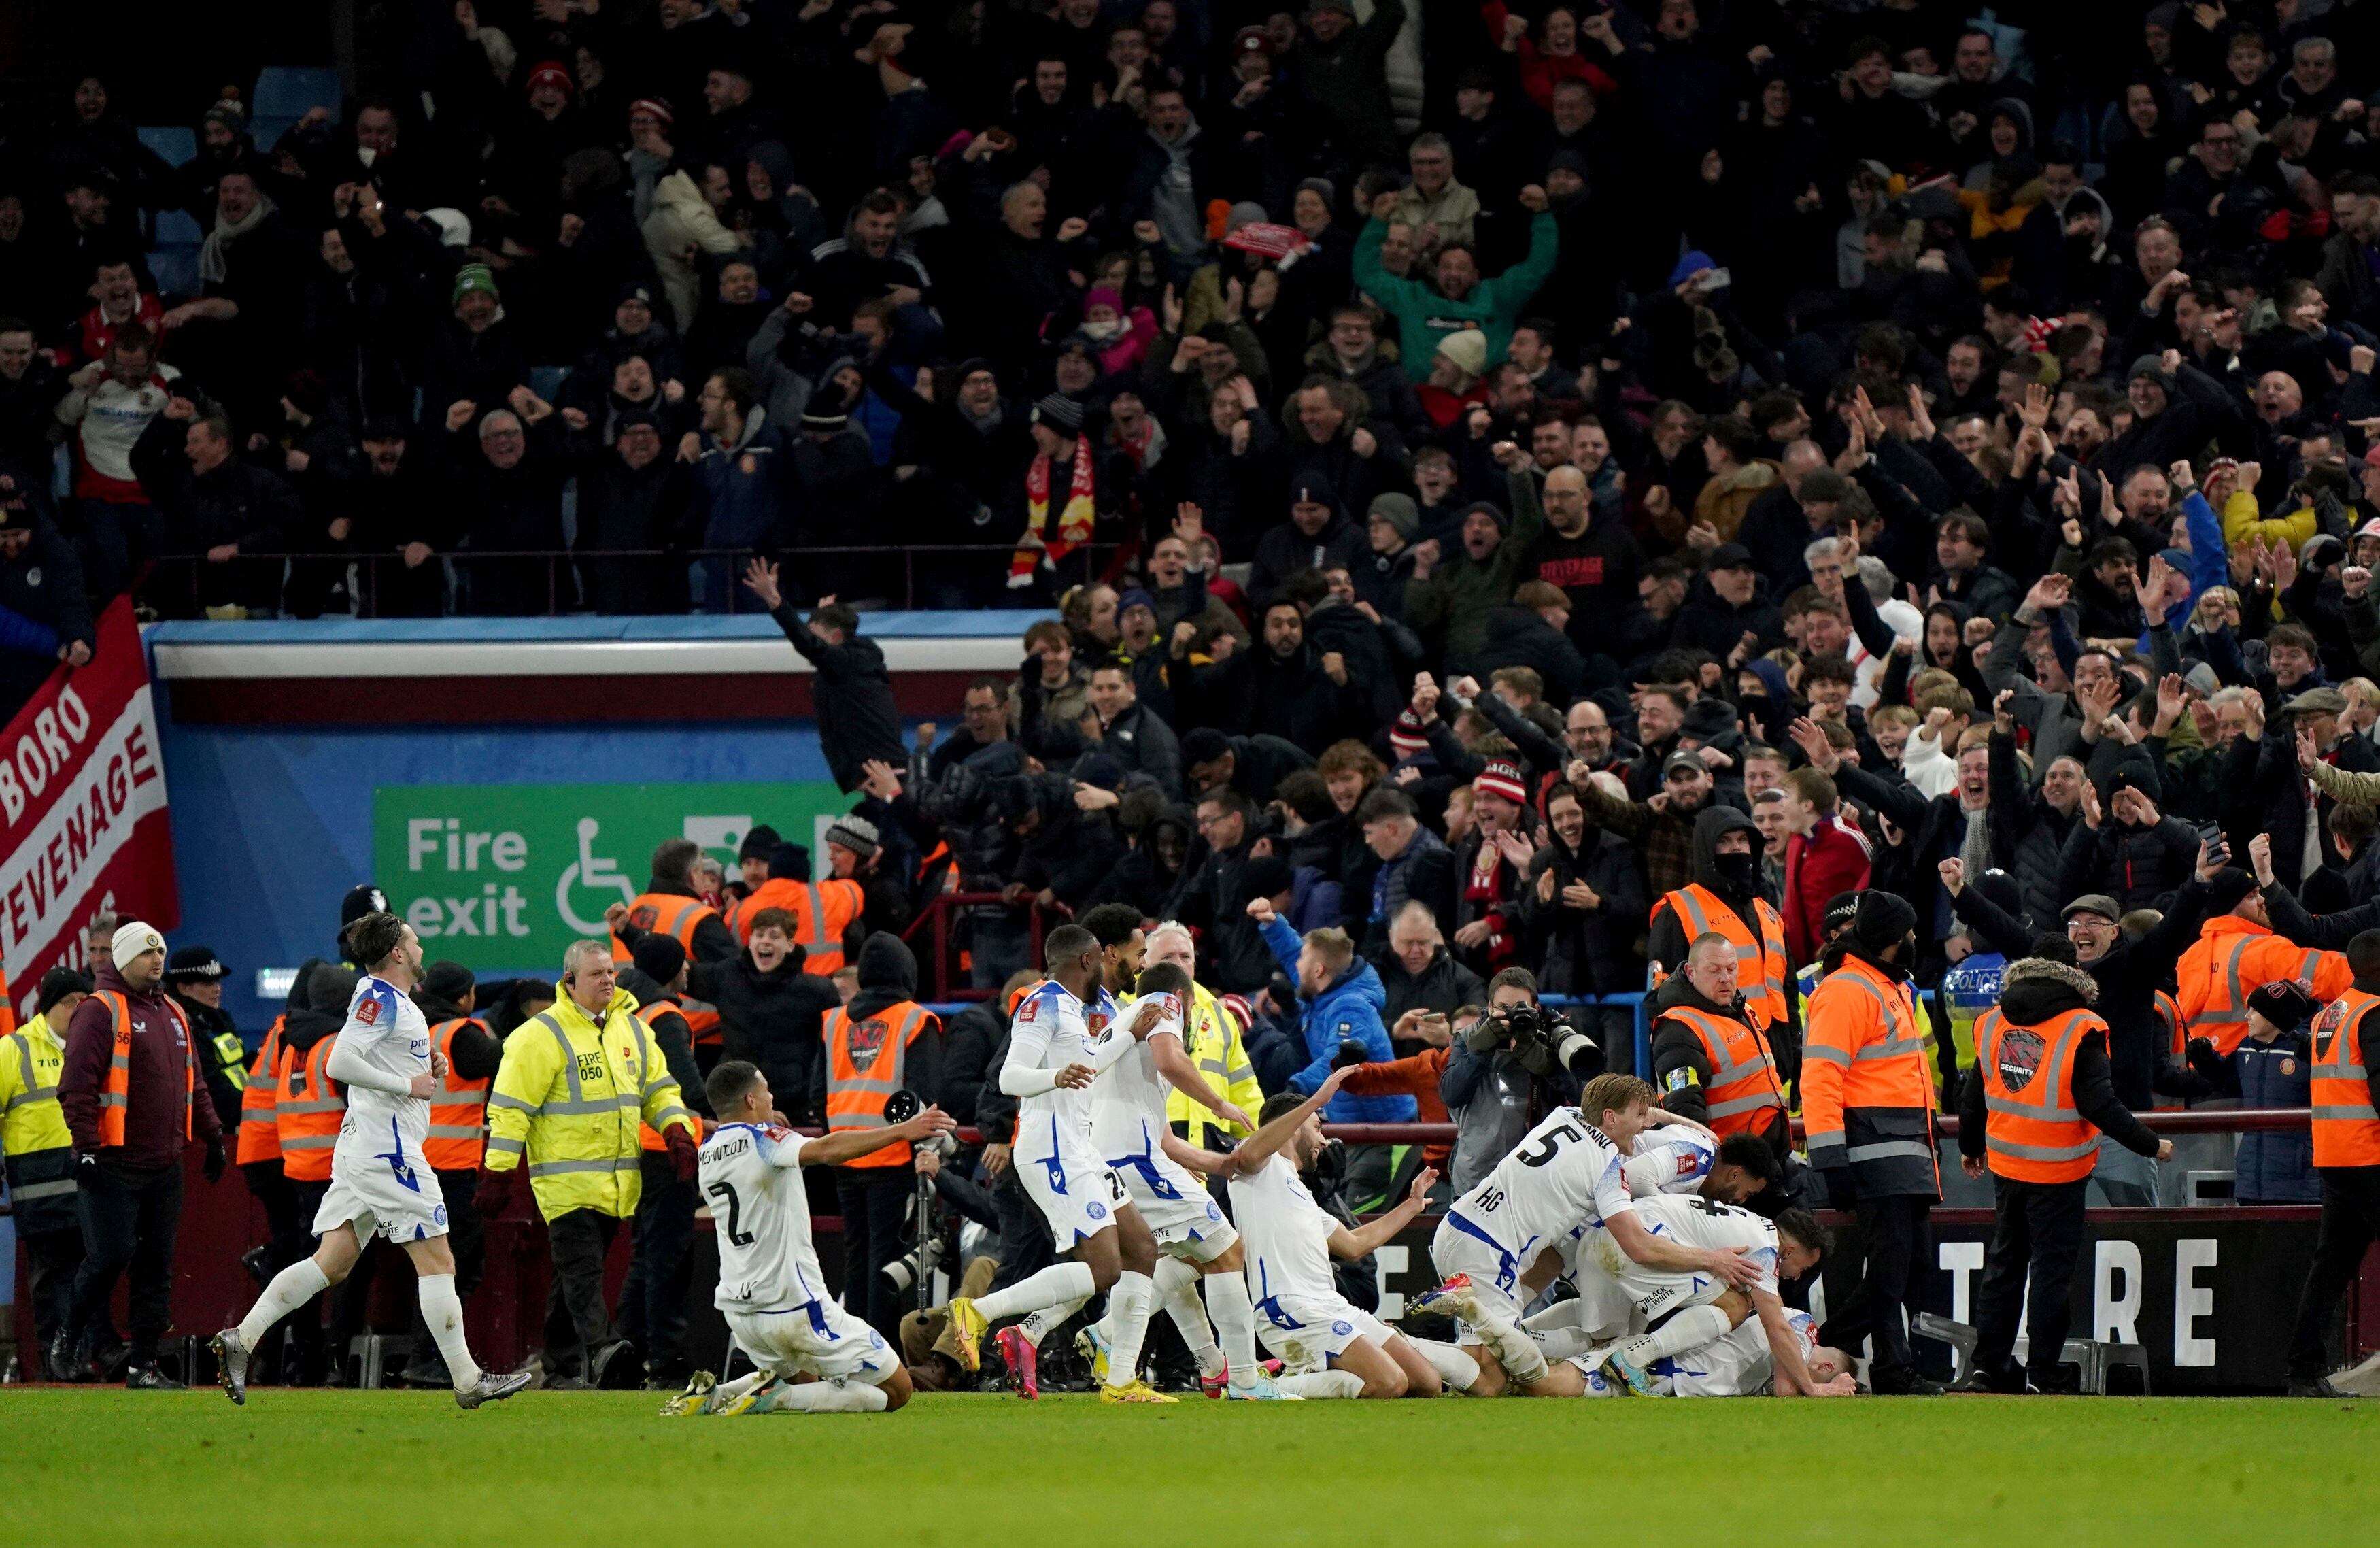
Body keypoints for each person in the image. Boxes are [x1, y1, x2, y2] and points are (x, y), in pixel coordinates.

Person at [210, 913, 530, 1409]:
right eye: (414, 940)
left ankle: (242, 1338)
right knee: (439, 1260)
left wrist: (424, 1066)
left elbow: (372, 1058)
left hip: (367, 1147)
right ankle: (467, 1380)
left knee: (332, 1263)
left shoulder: (394, 1002)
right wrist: (409, 1084)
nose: (421, 945)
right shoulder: (380, 996)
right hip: (390, 1151)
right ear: (398, 953)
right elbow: (341, 1061)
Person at [1410, 1073, 1765, 1398]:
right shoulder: (1608, 1170)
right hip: (1489, 1251)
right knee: (1491, 1383)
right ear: (1611, 1118)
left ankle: (1428, 1331)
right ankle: (1407, 1337)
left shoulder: (1564, 1116)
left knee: (1477, 1360)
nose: (1645, 1127)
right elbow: (1639, 1246)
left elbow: (1629, 1117)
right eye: (1639, 1116)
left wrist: (1672, 1120)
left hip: (1457, 1224)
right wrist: (1712, 1257)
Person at [945, 924, 1180, 1403]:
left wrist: (1127, 1036)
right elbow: (1010, 1078)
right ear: (1088, 961)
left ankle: (1120, 1381)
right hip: (1050, 1149)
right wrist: (1054, 1074)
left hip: (1081, 1146)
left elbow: (1088, 1065)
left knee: (1141, 1251)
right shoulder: (1041, 1004)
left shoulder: (1076, 1010)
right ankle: (980, 1313)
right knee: (1104, 1270)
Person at [664, 1060, 955, 1416]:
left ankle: (716, 1393)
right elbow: (827, 1150)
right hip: (793, 1305)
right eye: (766, 1090)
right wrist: (902, 1132)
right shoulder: (766, 1140)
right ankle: (772, 1399)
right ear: (751, 1100)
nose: (772, 1096)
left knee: (806, 1380)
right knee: (896, 1392)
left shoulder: (708, 1150)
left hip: (741, 1313)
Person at [477, 939, 702, 1389]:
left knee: (572, 1275)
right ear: (570, 980)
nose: (607, 980)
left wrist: (676, 1129)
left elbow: (659, 1089)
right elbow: (510, 1110)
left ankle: (559, 1367)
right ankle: (604, 1352)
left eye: (611, 972)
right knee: (583, 1271)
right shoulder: (540, 1036)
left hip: (617, 1183)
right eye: (597, 973)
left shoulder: (633, 1031)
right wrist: (499, 1171)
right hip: (564, 1181)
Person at [1066, 959, 1294, 1401]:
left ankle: (1118, 1342)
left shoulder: (1121, 1027)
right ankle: (1245, 1381)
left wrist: (1220, 1164)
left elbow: (1166, 1138)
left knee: (1178, 1256)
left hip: (1111, 1159)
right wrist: (1219, 1104)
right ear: (1185, 999)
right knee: (1228, 1251)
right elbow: (1171, 1060)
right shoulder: (1162, 1003)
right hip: (1136, 1159)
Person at [1956, 939, 2172, 1394]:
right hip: (2059, 1170)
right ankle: (2043, 1371)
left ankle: (1989, 1367)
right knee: (2050, 1273)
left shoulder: (1993, 1021)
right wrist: (2151, 1145)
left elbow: (1974, 1095)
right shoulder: (2081, 1026)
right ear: (2072, 970)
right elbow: (2100, 1104)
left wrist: (1971, 1145)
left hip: (2008, 1164)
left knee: (2003, 1267)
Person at [55, 920, 225, 1388]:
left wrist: (213, 1137)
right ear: (123, 959)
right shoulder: (98, 1010)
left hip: (164, 1164)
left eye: (160, 953)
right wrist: (86, 1146)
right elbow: (77, 1087)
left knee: (157, 1268)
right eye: (146, 954)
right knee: (108, 1259)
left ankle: (143, 1365)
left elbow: (196, 1084)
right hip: (112, 1163)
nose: (157, 961)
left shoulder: (173, 1011)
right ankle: (68, 1337)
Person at [1226, 1068, 1466, 1398]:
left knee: (1426, 1382)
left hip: (1332, 1305)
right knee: (1389, 1383)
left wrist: (1410, 1207)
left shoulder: (1301, 1195)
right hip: (1287, 1307)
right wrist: (1316, 1100)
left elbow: (1355, 1245)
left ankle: (1306, 1377)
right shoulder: (1255, 1169)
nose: (1324, 1140)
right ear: (1295, 1125)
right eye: (1317, 1126)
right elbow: (1252, 1151)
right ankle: (1260, 1386)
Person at [1801, 891, 1943, 1395]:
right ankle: (1891, 1369)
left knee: (1911, 1262)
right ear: (1890, 940)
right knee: (1892, 1265)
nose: (1914, 941)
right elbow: (1820, 1078)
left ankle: (1843, 1338)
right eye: (1908, 933)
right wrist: (1831, 1159)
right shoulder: (1847, 990)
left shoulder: (1889, 985)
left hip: (1906, 1145)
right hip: (1874, 1148)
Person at [819, 935, 942, 1345]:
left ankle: (853, 1352)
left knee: (855, 1259)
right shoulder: (914, 1019)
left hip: (844, 1153)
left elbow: (814, 1091)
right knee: (885, 1263)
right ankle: (881, 1355)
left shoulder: (835, 1021)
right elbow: (925, 1092)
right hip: (893, 1156)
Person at [2284, 928, 2380, 1396]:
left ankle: (2303, 1370)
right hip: (2371, 1155)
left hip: (2335, 1155)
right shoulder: (2375, 1014)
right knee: (2331, 1263)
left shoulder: (2332, 1014)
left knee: (2332, 1265)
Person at [744, 560, 903, 792]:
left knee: (882, 827)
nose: (813, 644)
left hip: (885, 783)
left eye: (818, 637)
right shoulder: (846, 665)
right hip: (872, 779)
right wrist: (822, 613)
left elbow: (810, 646)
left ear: (837, 637)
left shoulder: (848, 664)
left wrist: (775, 601)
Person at [1, 967, 89, 1374]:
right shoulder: (13, 1049)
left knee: (86, 1278)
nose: (76, 1010)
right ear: (48, 1007)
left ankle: (78, 1361)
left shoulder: (92, 1049)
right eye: (68, 1002)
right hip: (39, 1191)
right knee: (52, 1282)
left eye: (82, 1002)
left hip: (88, 1186)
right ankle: (56, 1367)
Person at [1648, 933, 1790, 1158]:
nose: (1725, 978)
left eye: (1731, 968)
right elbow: (1684, 1106)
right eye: (1714, 970)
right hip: (1729, 1167)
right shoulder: (1679, 1027)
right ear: (1690, 972)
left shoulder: (1742, 1011)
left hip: (1763, 1158)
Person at [607, 837, 739, 967]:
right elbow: (732, 975)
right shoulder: (699, 918)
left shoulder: (628, 912)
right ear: (693, 875)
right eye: (701, 871)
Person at [163, 945, 247, 1134]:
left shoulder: (217, 1019)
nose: (217, 989)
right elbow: (211, 1087)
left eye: (217, 981)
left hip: (232, 1121)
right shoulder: (178, 1029)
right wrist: (256, 1107)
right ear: (183, 988)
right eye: (208, 983)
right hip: (201, 1133)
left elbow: (237, 1065)